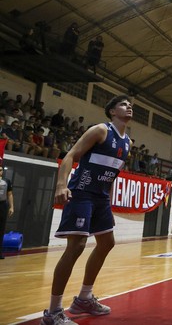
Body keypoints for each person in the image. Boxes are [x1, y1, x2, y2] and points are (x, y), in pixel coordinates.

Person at [41, 95, 132, 325]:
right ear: (112, 111)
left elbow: (111, 174)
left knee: (107, 243)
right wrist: (62, 184)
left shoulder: (127, 142)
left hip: (101, 198)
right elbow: (70, 156)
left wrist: (108, 200)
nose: (128, 107)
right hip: (81, 193)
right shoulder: (101, 130)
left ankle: (84, 298)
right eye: (123, 104)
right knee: (77, 246)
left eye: (130, 105)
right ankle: (53, 313)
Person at [0, 166, 15, 260]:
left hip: (2, 206)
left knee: (1, 229)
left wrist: (12, 207)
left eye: (1, 170)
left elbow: (9, 194)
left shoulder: (6, 181)